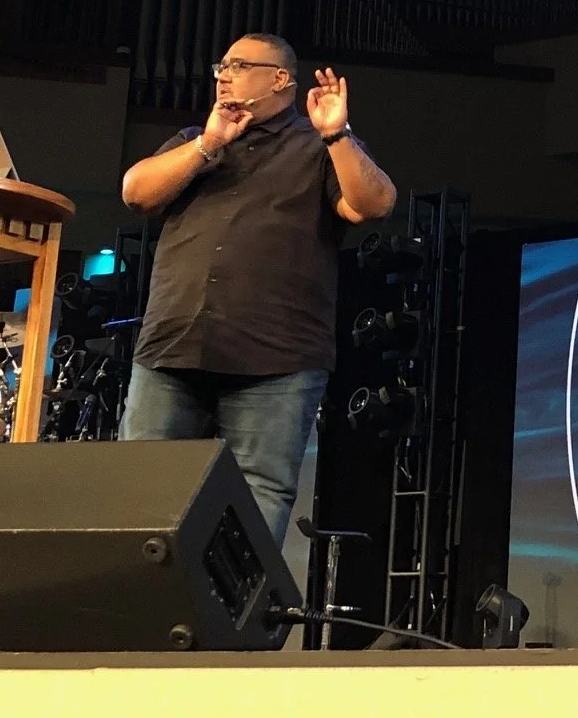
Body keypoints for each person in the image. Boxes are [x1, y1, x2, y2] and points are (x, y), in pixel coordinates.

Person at [120, 33, 397, 541]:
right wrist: (208, 144)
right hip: (173, 347)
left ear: (280, 80)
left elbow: (373, 205)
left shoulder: (319, 148)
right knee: (143, 488)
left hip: (277, 360)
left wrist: (337, 136)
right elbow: (136, 193)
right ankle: (141, 614)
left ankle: (233, 619)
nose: (223, 74)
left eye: (239, 64)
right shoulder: (195, 139)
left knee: (255, 496)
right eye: (221, 64)